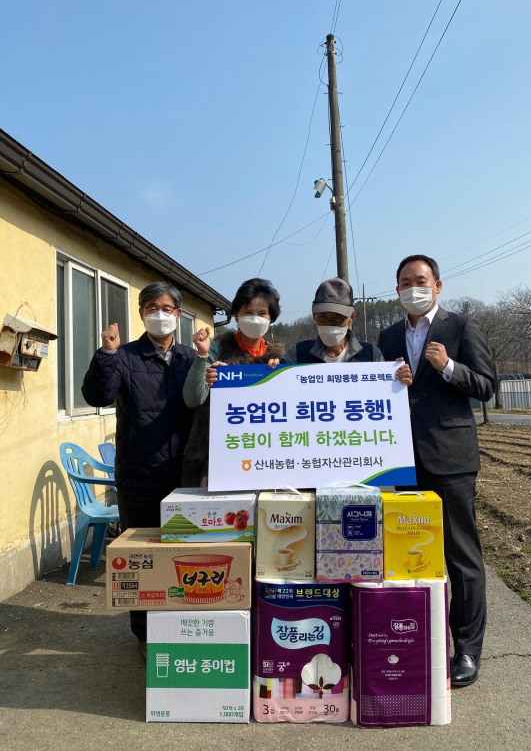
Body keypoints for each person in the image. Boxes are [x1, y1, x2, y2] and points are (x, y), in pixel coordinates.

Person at [378, 254, 494, 687]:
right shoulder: (388, 336)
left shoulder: (461, 327)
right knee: (406, 556)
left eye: (421, 281)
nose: (414, 288)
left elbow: (486, 385)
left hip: (450, 458)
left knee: (460, 556)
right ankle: (408, 642)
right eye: (406, 281)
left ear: (438, 286)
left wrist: (447, 367)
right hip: (400, 461)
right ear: (396, 290)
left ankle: (466, 650)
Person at [82, 281, 197, 658]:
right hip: (139, 477)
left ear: (178, 315)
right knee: (142, 563)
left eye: (166, 308)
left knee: (186, 558)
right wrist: (106, 354)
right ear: (141, 314)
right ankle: (145, 636)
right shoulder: (125, 356)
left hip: (187, 479)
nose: (158, 314)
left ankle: (183, 627)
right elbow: (97, 396)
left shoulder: (191, 358)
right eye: (150, 307)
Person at [182, 278, 283, 486]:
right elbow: (192, 399)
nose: (255, 318)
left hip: (266, 459)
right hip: (213, 461)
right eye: (247, 312)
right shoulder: (215, 350)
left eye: (262, 313)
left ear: (271, 317)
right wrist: (205, 368)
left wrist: (281, 376)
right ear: (236, 315)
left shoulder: (279, 359)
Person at [282, 278, 395, 368]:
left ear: (351, 317)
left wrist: (397, 378)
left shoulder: (371, 356)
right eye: (323, 317)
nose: (329, 323)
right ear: (314, 316)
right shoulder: (296, 355)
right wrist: (272, 369)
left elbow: (384, 388)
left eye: (338, 318)